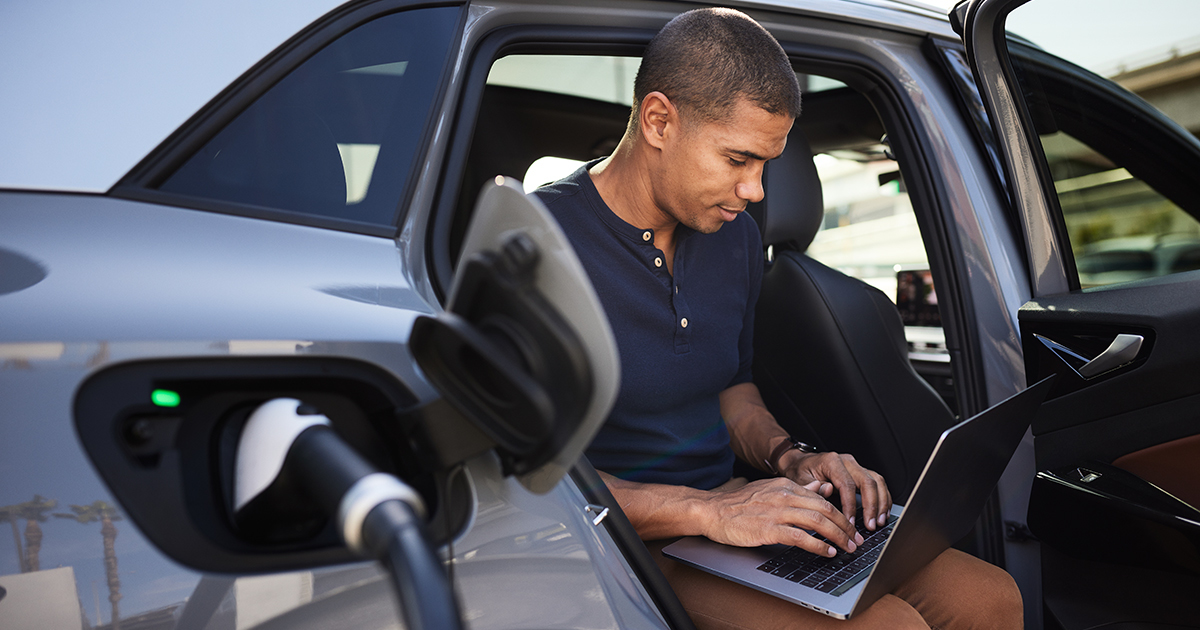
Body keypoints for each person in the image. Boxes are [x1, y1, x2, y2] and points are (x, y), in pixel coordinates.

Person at [534, 8, 1023, 629]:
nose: (756, 191)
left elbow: (732, 391)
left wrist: (790, 458)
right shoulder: (538, 244)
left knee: (990, 597)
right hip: (613, 540)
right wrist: (709, 513)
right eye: (738, 159)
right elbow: (530, 476)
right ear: (659, 121)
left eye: (766, 164)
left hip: (727, 511)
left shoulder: (731, 236)